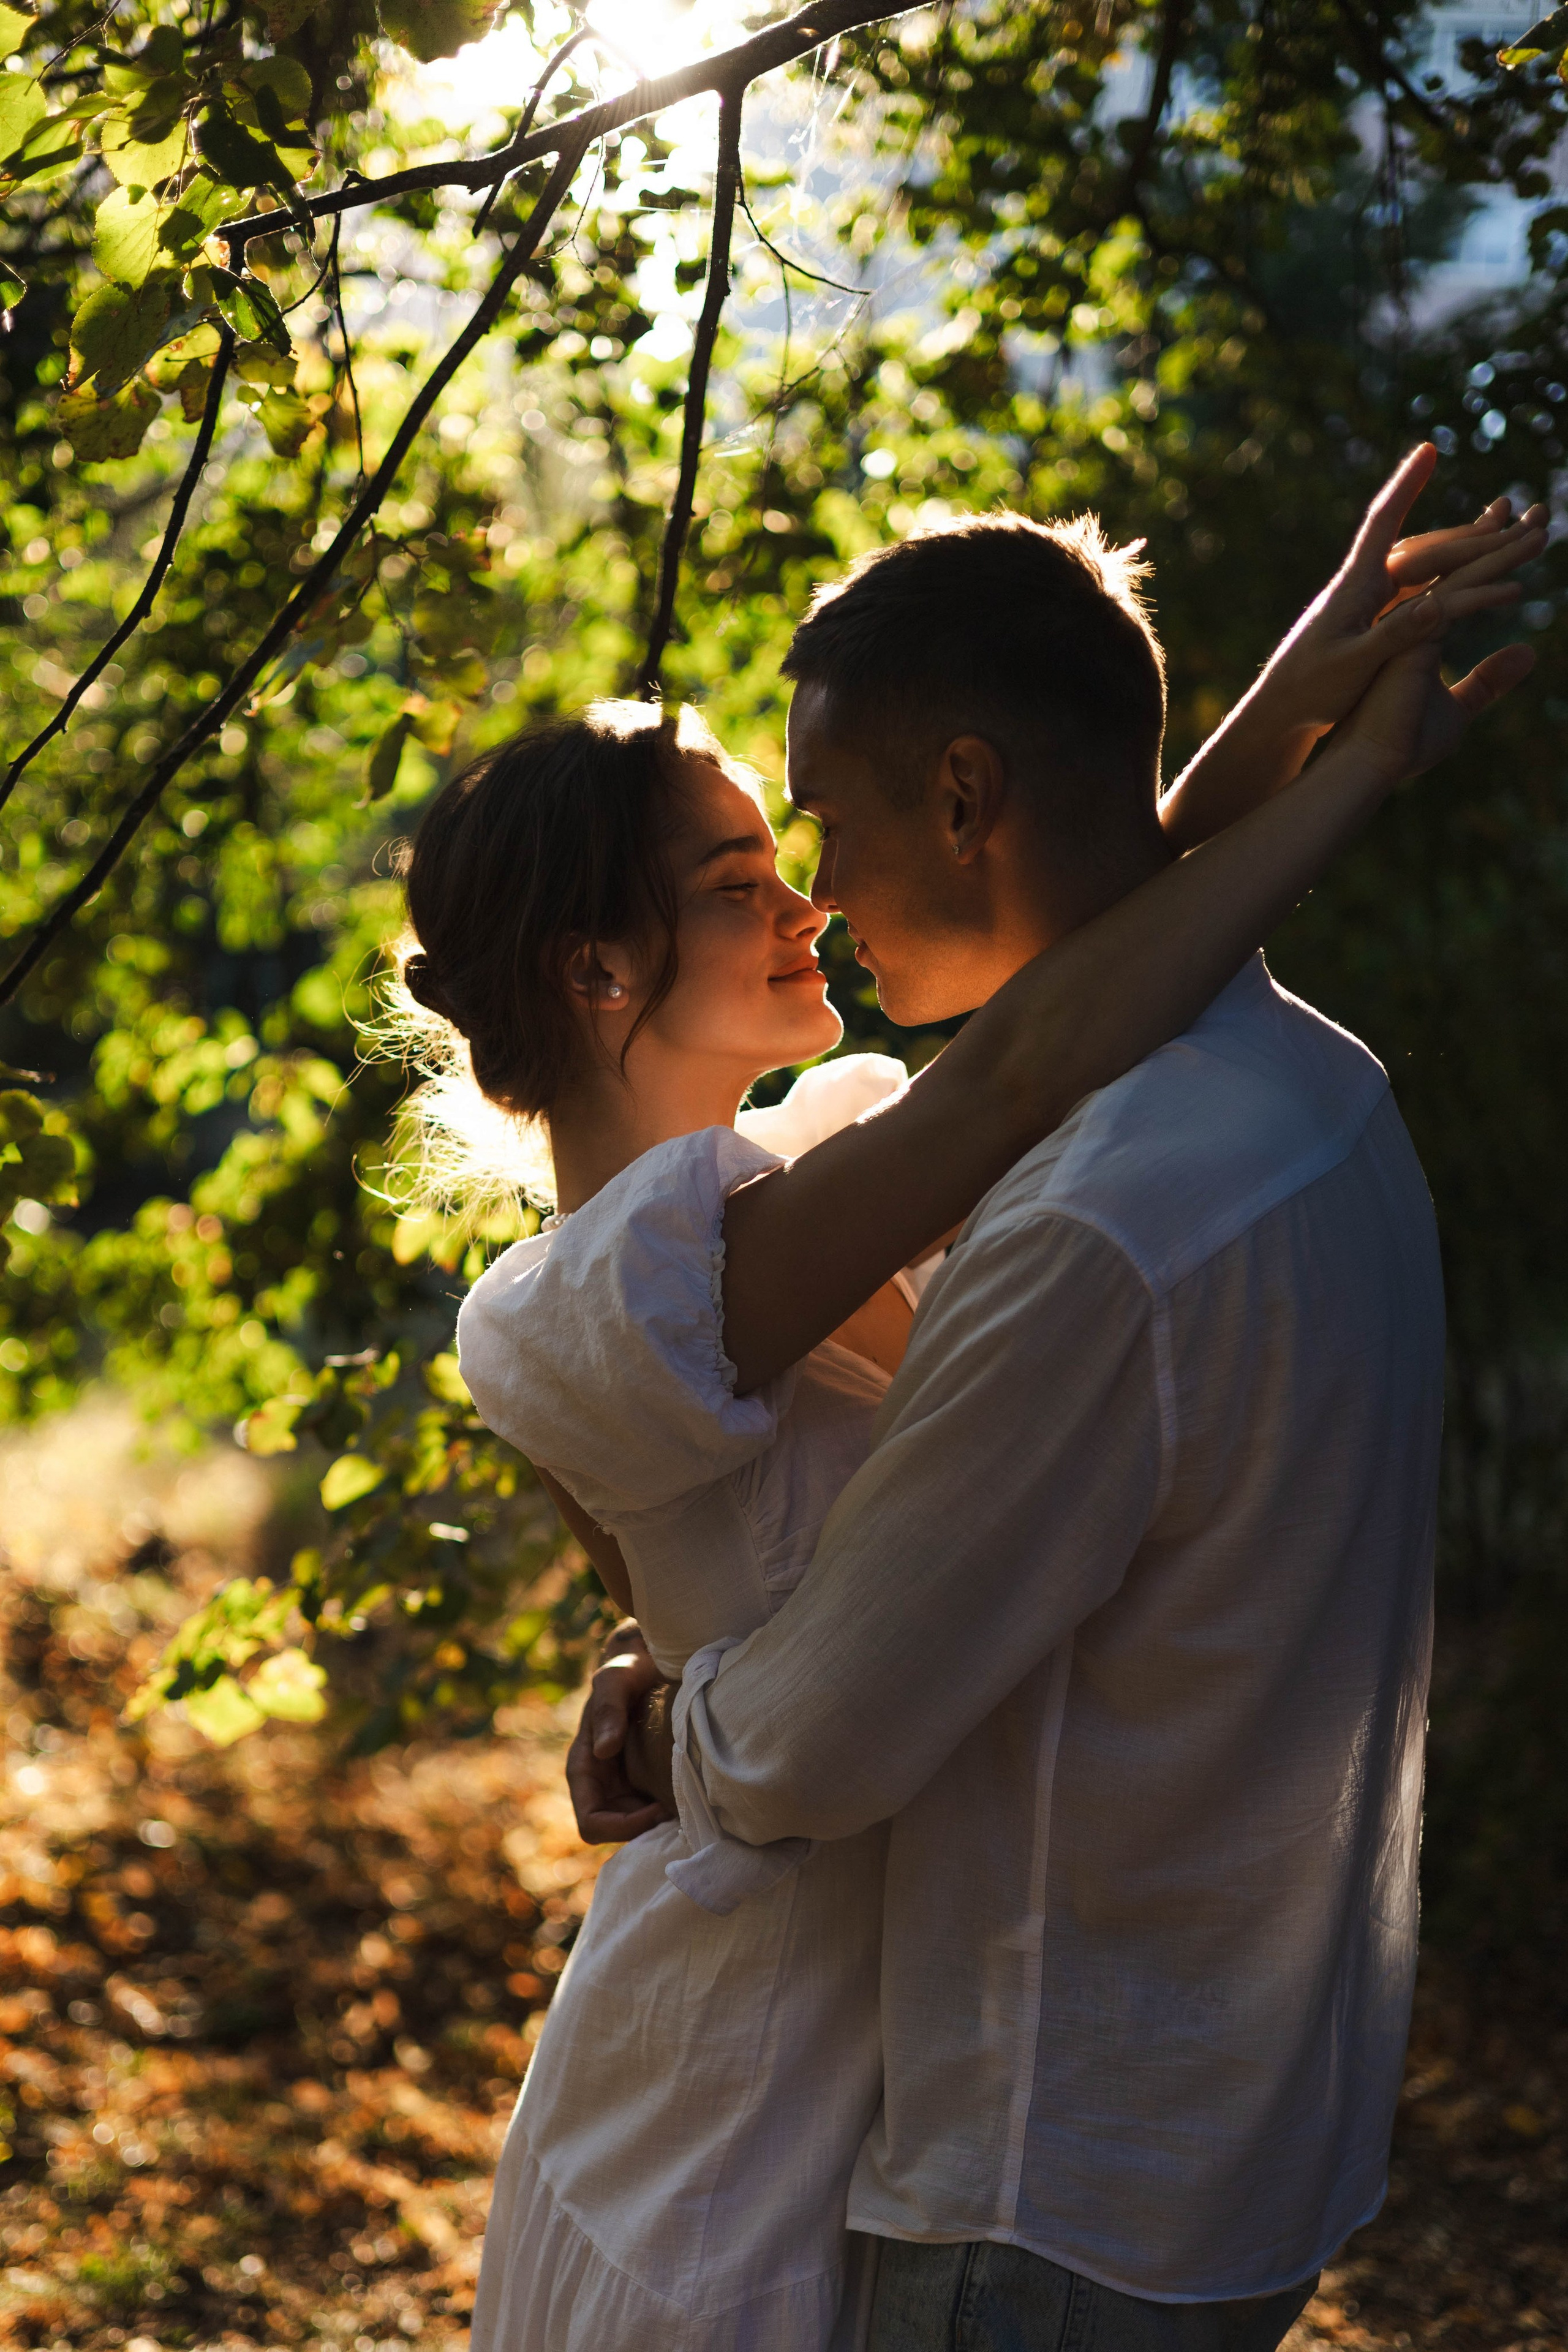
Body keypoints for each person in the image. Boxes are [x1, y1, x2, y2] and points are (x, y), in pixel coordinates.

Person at [409, 450, 1540, 2352]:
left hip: (902, 2031)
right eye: (744, 879)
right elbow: (1031, 1052)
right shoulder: (564, 1312)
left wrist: (1299, 692)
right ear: (601, 972)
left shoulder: (841, 1141)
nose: (819, 903)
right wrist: (1349, 768)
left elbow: (1073, 967)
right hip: (754, 2057)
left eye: (805, 842)